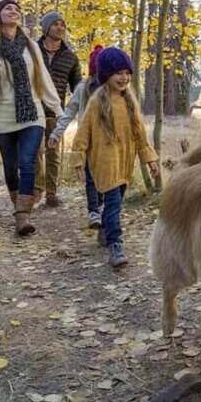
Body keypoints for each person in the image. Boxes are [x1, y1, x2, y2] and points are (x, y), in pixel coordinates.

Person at [0, 0, 62, 236]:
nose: (14, 11)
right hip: (3, 114)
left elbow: (44, 79)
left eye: (16, 9)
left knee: (27, 162)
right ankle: (19, 205)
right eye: (7, 9)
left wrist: (59, 110)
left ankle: (23, 217)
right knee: (11, 168)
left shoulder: (31, 46)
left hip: (33, 113)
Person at [71, 47, 159, 268]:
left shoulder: (130, 101)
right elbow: (83, 133)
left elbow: (140, 134)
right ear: (106, 75)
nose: (124, 78)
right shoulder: (97, 101)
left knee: (115, 201)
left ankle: (104, 229)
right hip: (104, 161)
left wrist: (150, 159)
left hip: (125, 162)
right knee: (113, 204)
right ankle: (115, 244)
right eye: (118, 73)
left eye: (127, 73)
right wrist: (78, 158)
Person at [47, 44, 104, 229]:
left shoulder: (115, 90)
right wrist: (56, 133)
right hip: (87, 143)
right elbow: (69, 113)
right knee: (91, 177)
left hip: (110, 144)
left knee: (106, 176)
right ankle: (94, 211)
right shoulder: (82, 89)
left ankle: (103, 206)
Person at [35, 11, 81, 207]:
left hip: (56, 113)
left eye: (63, 25)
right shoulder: (32, 51)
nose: (60, 28)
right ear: (46, 28)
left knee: (53, 153)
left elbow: (77, 86)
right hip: (32, 111)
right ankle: (36, 191)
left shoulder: (70, 57)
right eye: (56, 24)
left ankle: (51, 193)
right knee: (34, 153)